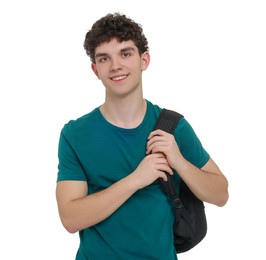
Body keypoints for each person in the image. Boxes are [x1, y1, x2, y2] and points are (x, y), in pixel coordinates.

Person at [56, 12, 229, 260]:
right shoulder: (75, 134)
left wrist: (178, 160)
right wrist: (136, 180)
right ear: (95, 70)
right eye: (104, 58)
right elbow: (70, 219)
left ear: (144, 60)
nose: (116, 66)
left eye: (125, 54)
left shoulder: (173, 127)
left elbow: (221, 194)